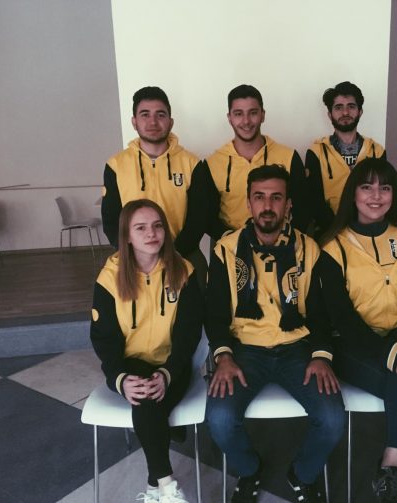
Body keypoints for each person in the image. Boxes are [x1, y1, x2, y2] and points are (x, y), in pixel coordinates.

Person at [205, 165, 344, 503]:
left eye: (276, 197)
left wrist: (321, 355)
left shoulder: (308, 249)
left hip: (297, 348)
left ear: (288, 204)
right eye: (259, 197)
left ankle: (303, 474)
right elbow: (215, 313)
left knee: (332, 419)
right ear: (249, 203)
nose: (267, 205)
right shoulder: (225, 249)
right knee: (220, 419)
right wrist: (223, 356)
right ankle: (250, 470)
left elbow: (321, 313)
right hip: (245, 351)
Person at [317, 158, 397, 503]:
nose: (376, 196)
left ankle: (391, 466)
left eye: (385, 188)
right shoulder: (334, 247)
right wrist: (393, 354)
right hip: (353, 347)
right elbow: (342, 320)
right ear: (353, 194)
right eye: (367, 187)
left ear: (394, 195)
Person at [90, 199, 203, 503]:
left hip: (173, 364)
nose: (151, 233)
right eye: (140, 228)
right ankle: (166, 487)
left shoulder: (184, 271)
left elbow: (188, 333)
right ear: (126, 236)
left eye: (157, 226)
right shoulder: (110, 278)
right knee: (144, 393)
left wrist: (168, 373)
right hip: (131, 365)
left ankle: (158, 486)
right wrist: (120, 379)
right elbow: (104, 340)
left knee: (150, 400)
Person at [191, 85, 309, 241]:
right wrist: (235, 242)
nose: (246, 121)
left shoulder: (289, 157)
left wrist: (282, 241)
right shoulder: (212, 164)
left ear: (263, 115)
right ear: (229, 118)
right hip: (230, 245)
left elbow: (303, 210)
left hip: (281, 244)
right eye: (238, 114)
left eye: (253, 113)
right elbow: (207, 218)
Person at [101, 86, 203, 260]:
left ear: (171, 122)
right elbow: (111, 220)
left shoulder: (192, 163)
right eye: (145, 114)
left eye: (160, 115)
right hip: (134, 259)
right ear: (134, 122)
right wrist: (132, 254)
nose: (153, 122)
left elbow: (198, 219)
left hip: (183, 255)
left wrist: (174, 254)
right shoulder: (116, 165)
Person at [305, 81, 386, 236]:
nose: (345, 112)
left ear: (360, 112)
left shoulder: (377, 151)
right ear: (330, 114)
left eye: (351, 106)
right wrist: (337, 231)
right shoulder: (316, 152)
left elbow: (383, 195)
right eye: (338, 107)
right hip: (330, 232)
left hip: (369, 230)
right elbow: (314, 201)